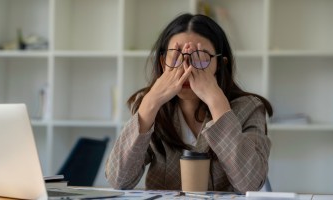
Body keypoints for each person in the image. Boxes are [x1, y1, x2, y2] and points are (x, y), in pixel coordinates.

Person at [105, 13, 273, 193]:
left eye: (199, 57)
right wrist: (151, 103)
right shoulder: (150, 106)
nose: (186, 68)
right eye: (176, 56)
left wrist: (217, 103)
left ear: (220, 64)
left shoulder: (249, 108)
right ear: (163, 63)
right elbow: (118, 180)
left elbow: (250, 184)